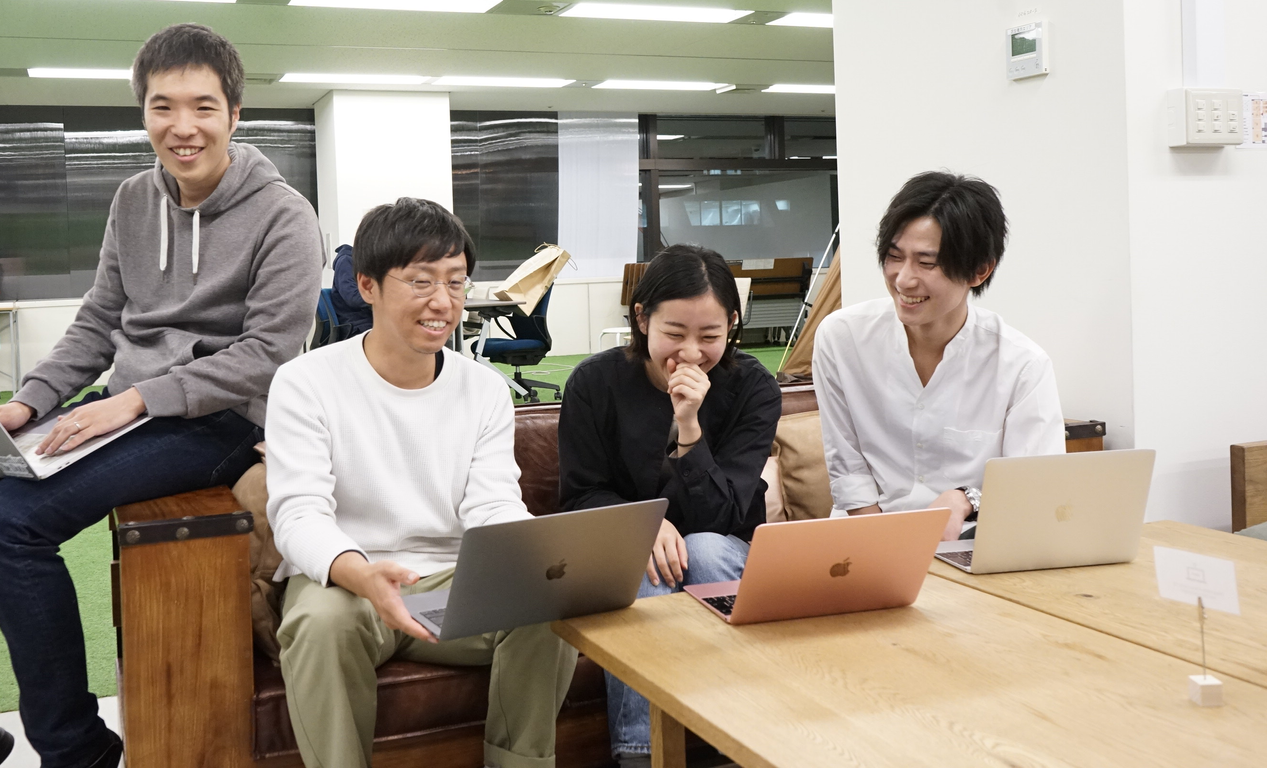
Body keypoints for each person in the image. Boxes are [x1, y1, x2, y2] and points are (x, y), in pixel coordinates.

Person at [0, 22, 323, 768]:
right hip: (125, 406)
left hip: (221, 420)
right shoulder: (132, 199)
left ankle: (77, 751)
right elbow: (99, 320)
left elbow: (270, 355)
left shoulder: (285, 215)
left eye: (203, 107)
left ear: (234, 114)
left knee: (4, 523)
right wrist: (28, 403)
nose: (183, 127)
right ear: (143, 112)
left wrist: (137, 399)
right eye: (163, 107)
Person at [266, 197, 578, 768]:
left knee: (545, 604)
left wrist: (535, 555)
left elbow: (493, 503)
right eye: (421, 281)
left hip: (453, 586)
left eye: (456, 282)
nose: (443, 302)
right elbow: (299, 513)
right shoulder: (305, 382)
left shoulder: (483, 389)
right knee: (320, 623)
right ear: (367, 286)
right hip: (349, 581)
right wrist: (361, 573)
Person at [556, 244, 781, 768]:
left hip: (724, 549)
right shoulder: (593, 383)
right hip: (628, 552)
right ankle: (642, 753)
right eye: (675, 334)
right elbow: (581, 494)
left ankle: (738, 741)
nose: (692, 353)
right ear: (642, 319)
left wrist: (689, 426)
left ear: (732, 325)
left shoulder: (753, 388)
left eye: (710, 336)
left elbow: (725, 515)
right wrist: (642, 526)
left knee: (702, 549)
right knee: (646, 568)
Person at [813, 170, 1065, 542]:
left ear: (979, 270)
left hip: (968, 544)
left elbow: (1035, 485)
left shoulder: (1022, 365)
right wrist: (885, 548)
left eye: (927, 263)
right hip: (864, 537)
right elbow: (847, 468)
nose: (903, 279)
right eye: (894, 257)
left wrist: (966, 499)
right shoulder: (842, 338)